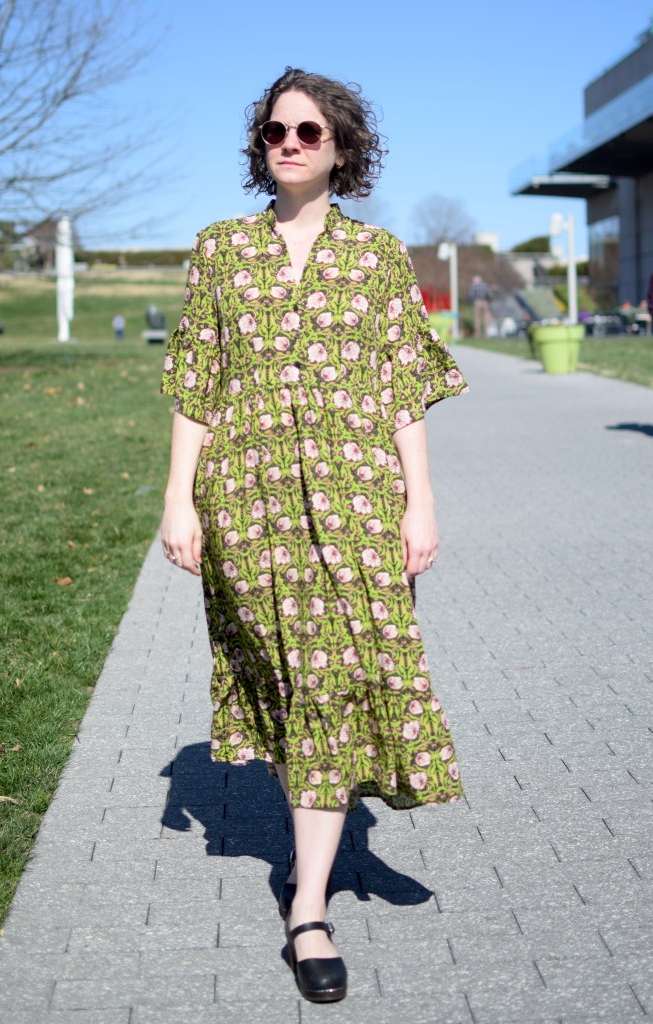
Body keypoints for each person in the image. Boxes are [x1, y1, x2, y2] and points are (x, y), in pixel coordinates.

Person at [160, 67, 469, 1003]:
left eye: (308, 131)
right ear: (261, 146)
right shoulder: (221, 251)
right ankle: (315, 869)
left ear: (341, 146)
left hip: (356, 498)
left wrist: (422, 500)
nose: (289, 143)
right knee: (291, 678)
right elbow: (195, 384)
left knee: (337, 675)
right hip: (248, 498)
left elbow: (400, 387)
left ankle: (309, 907)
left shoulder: (376, 256)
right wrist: (179, 498)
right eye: (274, 131)